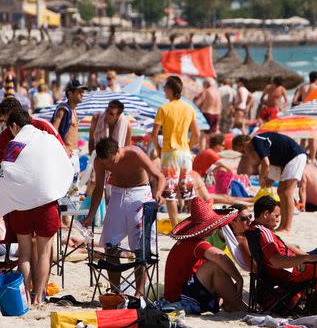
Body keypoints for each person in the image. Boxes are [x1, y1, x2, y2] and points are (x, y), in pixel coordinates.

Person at [0, 110, 73, 305]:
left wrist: (10, 201)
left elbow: (6, 174)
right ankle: (39, 296)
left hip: (22, 207)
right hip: (47, 204)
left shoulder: (15, 144)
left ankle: (26, 297)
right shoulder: (48, 139)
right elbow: (65, 162)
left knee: (24, 254)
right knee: (45, 253)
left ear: (14, 126)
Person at [84, 138, 165, 295]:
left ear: (117, 151)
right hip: (117, 194)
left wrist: (159, 193)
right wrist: (90, 216)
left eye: (111, 161)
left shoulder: (135, 153)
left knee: (141, 247)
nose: (109, 166)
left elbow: (159, 176)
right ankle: (116, 291)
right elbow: (99, 189)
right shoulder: (100, 161)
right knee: (110, 244)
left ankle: (139, 294)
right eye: (105, 163)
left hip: (140, 194)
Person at [0, 97, 64, 199]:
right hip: (18, 175)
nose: (9, 125)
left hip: (44, 174)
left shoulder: (42, 126)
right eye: (6, 122)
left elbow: (61, 151)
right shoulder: (5, 135)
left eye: (8, 121)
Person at [164, 198, 246, 314]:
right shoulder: (196, 243)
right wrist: (239, 279)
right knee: (215, 266)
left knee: (216, 266)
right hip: (181, 297)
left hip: (180, 292)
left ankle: (233, 303)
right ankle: (237, 305)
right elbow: (220, 256)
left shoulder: (188, 242)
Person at [232, 132, 306, 233]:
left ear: (245, 143)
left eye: (242, 151)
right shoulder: (259, 144)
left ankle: (287, 227)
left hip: (295, 156)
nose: (244, 154)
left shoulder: (257, 141)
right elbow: (275, 159)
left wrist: (261, 178)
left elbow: (265, 163)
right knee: (281, 191)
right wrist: (269, 180)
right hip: (287, 159)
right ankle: (282, 226)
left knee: (287, 192)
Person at [152, 75, 200, 227]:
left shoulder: (164, 108)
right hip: (185, 153)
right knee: (189, 191)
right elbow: (196, 134)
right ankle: (194, 224)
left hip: (170, 152)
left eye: (165, 88)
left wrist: (158, 149)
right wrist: (188, 147)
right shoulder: (189, 108)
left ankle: (175, 227)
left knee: (170, 193)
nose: (164, 91)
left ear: (170, 90)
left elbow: (154, 134)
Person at [51, 79, 87, 159]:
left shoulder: (74, 110)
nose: (82, 94)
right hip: (66, 153)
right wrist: (64, 147)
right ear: (70, 93)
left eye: (83, 92)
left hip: (74, 153)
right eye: (79, 92)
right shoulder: (63, 110)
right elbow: (53, 130)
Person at [194, 79, 222, 148]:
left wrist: (193, 103)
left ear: (206, 84)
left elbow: (198, 102)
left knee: (203, 136)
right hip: (217, 114)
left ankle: (203, 153)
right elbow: (221, 105)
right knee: (211, 135)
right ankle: (210, 151)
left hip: (208, 114)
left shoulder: (206, 91)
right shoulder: (218, 92)